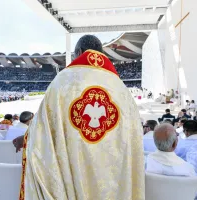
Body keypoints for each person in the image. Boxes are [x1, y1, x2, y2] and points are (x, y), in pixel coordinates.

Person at [18, 35, 145, 200]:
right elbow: (134, 139)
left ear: (79, 52)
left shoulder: (62, 82)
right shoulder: (121, 90)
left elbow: (42, 134)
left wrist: (26, 137)